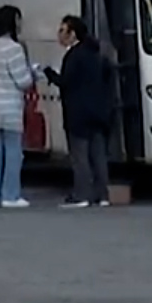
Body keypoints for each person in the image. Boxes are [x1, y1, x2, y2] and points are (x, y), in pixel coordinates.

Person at [43, 15, 118, 209]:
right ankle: (102, 195)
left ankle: (81, 194)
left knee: (80, 156)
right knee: (98, 156)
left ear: (72, 34)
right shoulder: (97, 53)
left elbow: (66, 83)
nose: (59, 35)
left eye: (62, 31)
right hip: (99, 113)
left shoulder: (73, 56)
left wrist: (48, 73)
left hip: (78, 114)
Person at [0, 4, 40, 209]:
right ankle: (10, 195)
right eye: (19, 20)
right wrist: (34, 72)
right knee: (14, 153)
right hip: (9, 109)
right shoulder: (14, 49)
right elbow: (22, 81)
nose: (21, 24)